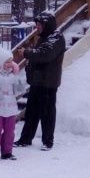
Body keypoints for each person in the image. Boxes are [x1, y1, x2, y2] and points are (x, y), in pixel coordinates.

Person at [15, 11, 66, 151]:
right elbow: (39, 54)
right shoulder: (43, 38)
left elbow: (44, 55)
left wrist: (26, 53)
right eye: (36, 24)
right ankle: (25, 139)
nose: (37, 27)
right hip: (37, 81)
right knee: (31, 112)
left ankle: (48, 141)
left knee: (47, 113)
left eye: (39, 24)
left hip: (48, 83)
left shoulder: (56, 38)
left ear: (46, 25)